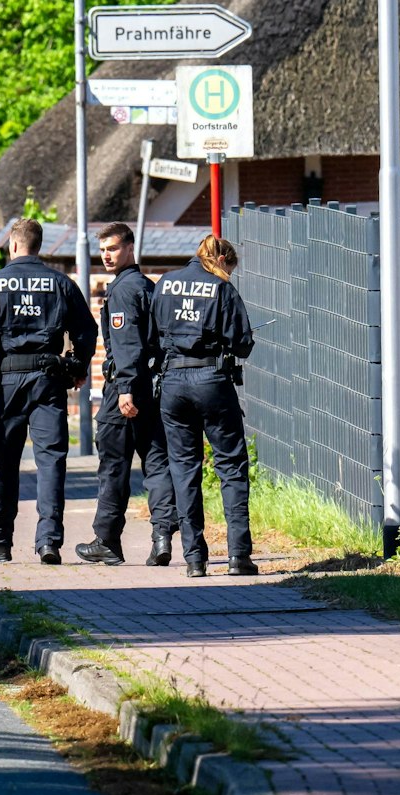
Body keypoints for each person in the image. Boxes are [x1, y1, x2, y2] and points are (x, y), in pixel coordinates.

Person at [0, 217, 98, 564]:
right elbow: (86, 331)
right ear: (39, 245)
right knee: (51, 462)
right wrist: (76, 368)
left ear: (13, 245)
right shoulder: (60, 284)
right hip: (48, 381)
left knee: (5, 460)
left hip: (8, 382)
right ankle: (48, 541)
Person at [76, 222, 178, 567]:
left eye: (113, 248)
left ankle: (106, 540)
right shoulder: (148, 288)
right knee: (157, 464)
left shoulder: (123, 290)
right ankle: (162, 536)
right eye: (103, 249)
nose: (107, 255)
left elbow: (127, 345)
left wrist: (124, 389)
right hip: (152, 388)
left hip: (127, 391)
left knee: (114, 467)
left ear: (130, 248)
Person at [154, 235, 256, 578]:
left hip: (172, 383)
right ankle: (238, 556)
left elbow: (152, 335)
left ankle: (195, 559)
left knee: (184, 471)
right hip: (211, 381)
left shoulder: (165, 284)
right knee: (230, 466)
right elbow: (242, 344)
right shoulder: (221, 289)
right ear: (223, 260)